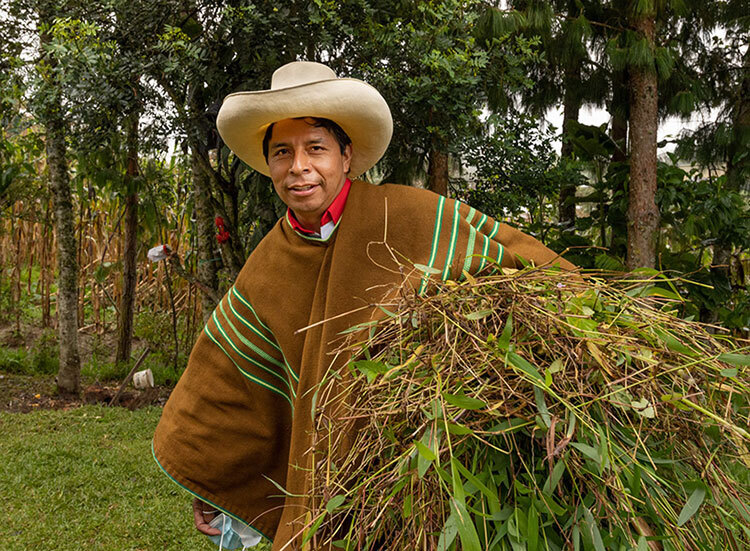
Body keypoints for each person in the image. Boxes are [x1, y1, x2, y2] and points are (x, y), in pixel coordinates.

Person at [152, 61, 575, 551]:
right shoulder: (269, 265)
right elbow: (230, 382)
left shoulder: (410, 215)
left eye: (316, 148)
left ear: (346, 156)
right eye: (282, 153)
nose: (299, 167)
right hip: (325, 475)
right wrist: (215, 479)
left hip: (417, 471)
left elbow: (527, 266)